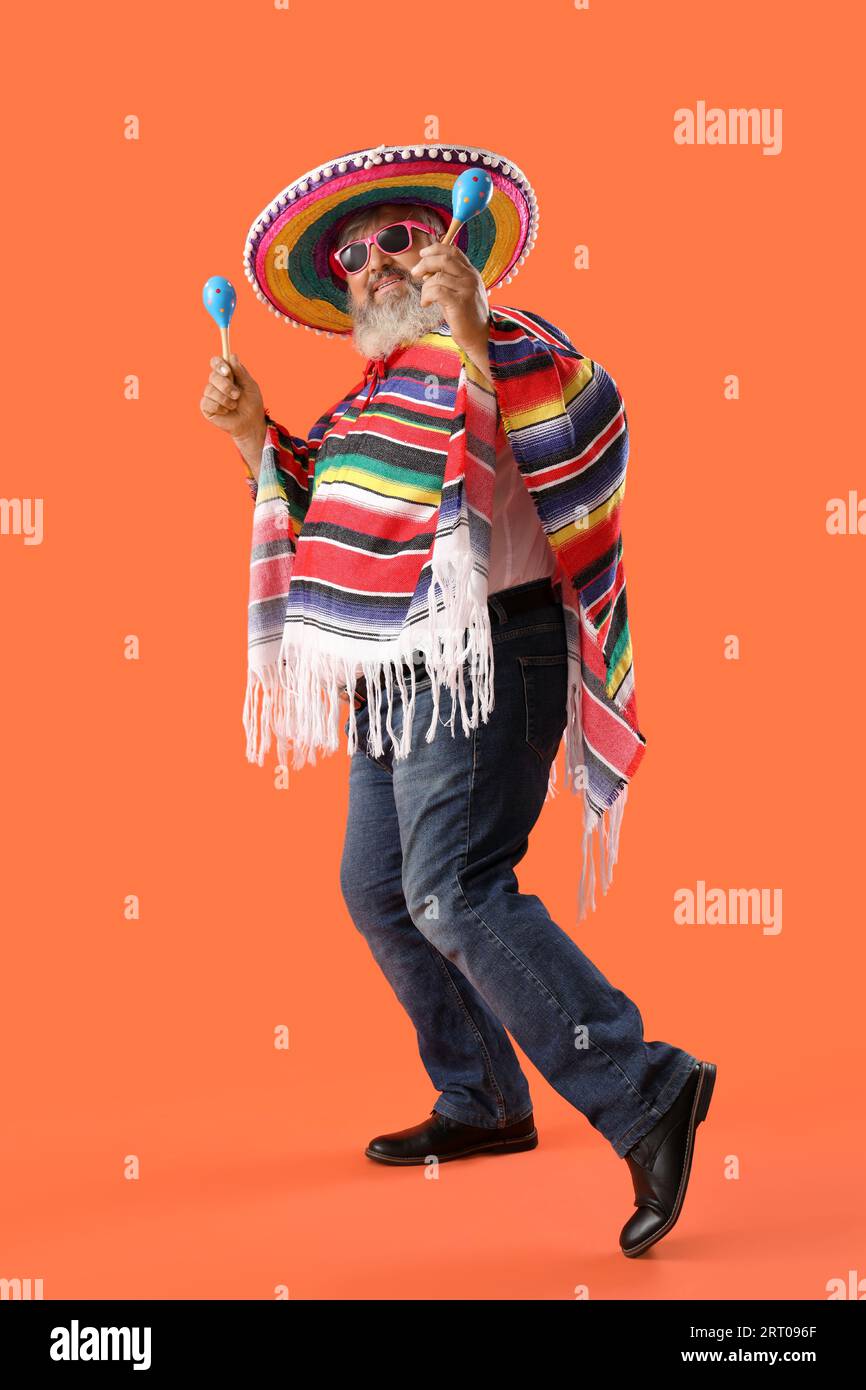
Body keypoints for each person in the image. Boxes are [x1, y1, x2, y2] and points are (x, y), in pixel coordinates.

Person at [199, 142, 716, 1257]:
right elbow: (330, 513)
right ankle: (482, 1095)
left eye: (397, 240)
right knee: (379, 891)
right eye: (352, 255)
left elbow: (590, 426)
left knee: (454, 890)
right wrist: (253, 439)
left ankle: (646, 1085)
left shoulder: (513, 341)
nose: (375, 264)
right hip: (398, 676)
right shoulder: (371, 399)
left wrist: (475, 330)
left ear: (449, 244)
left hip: (494, 655)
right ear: (338, 289)